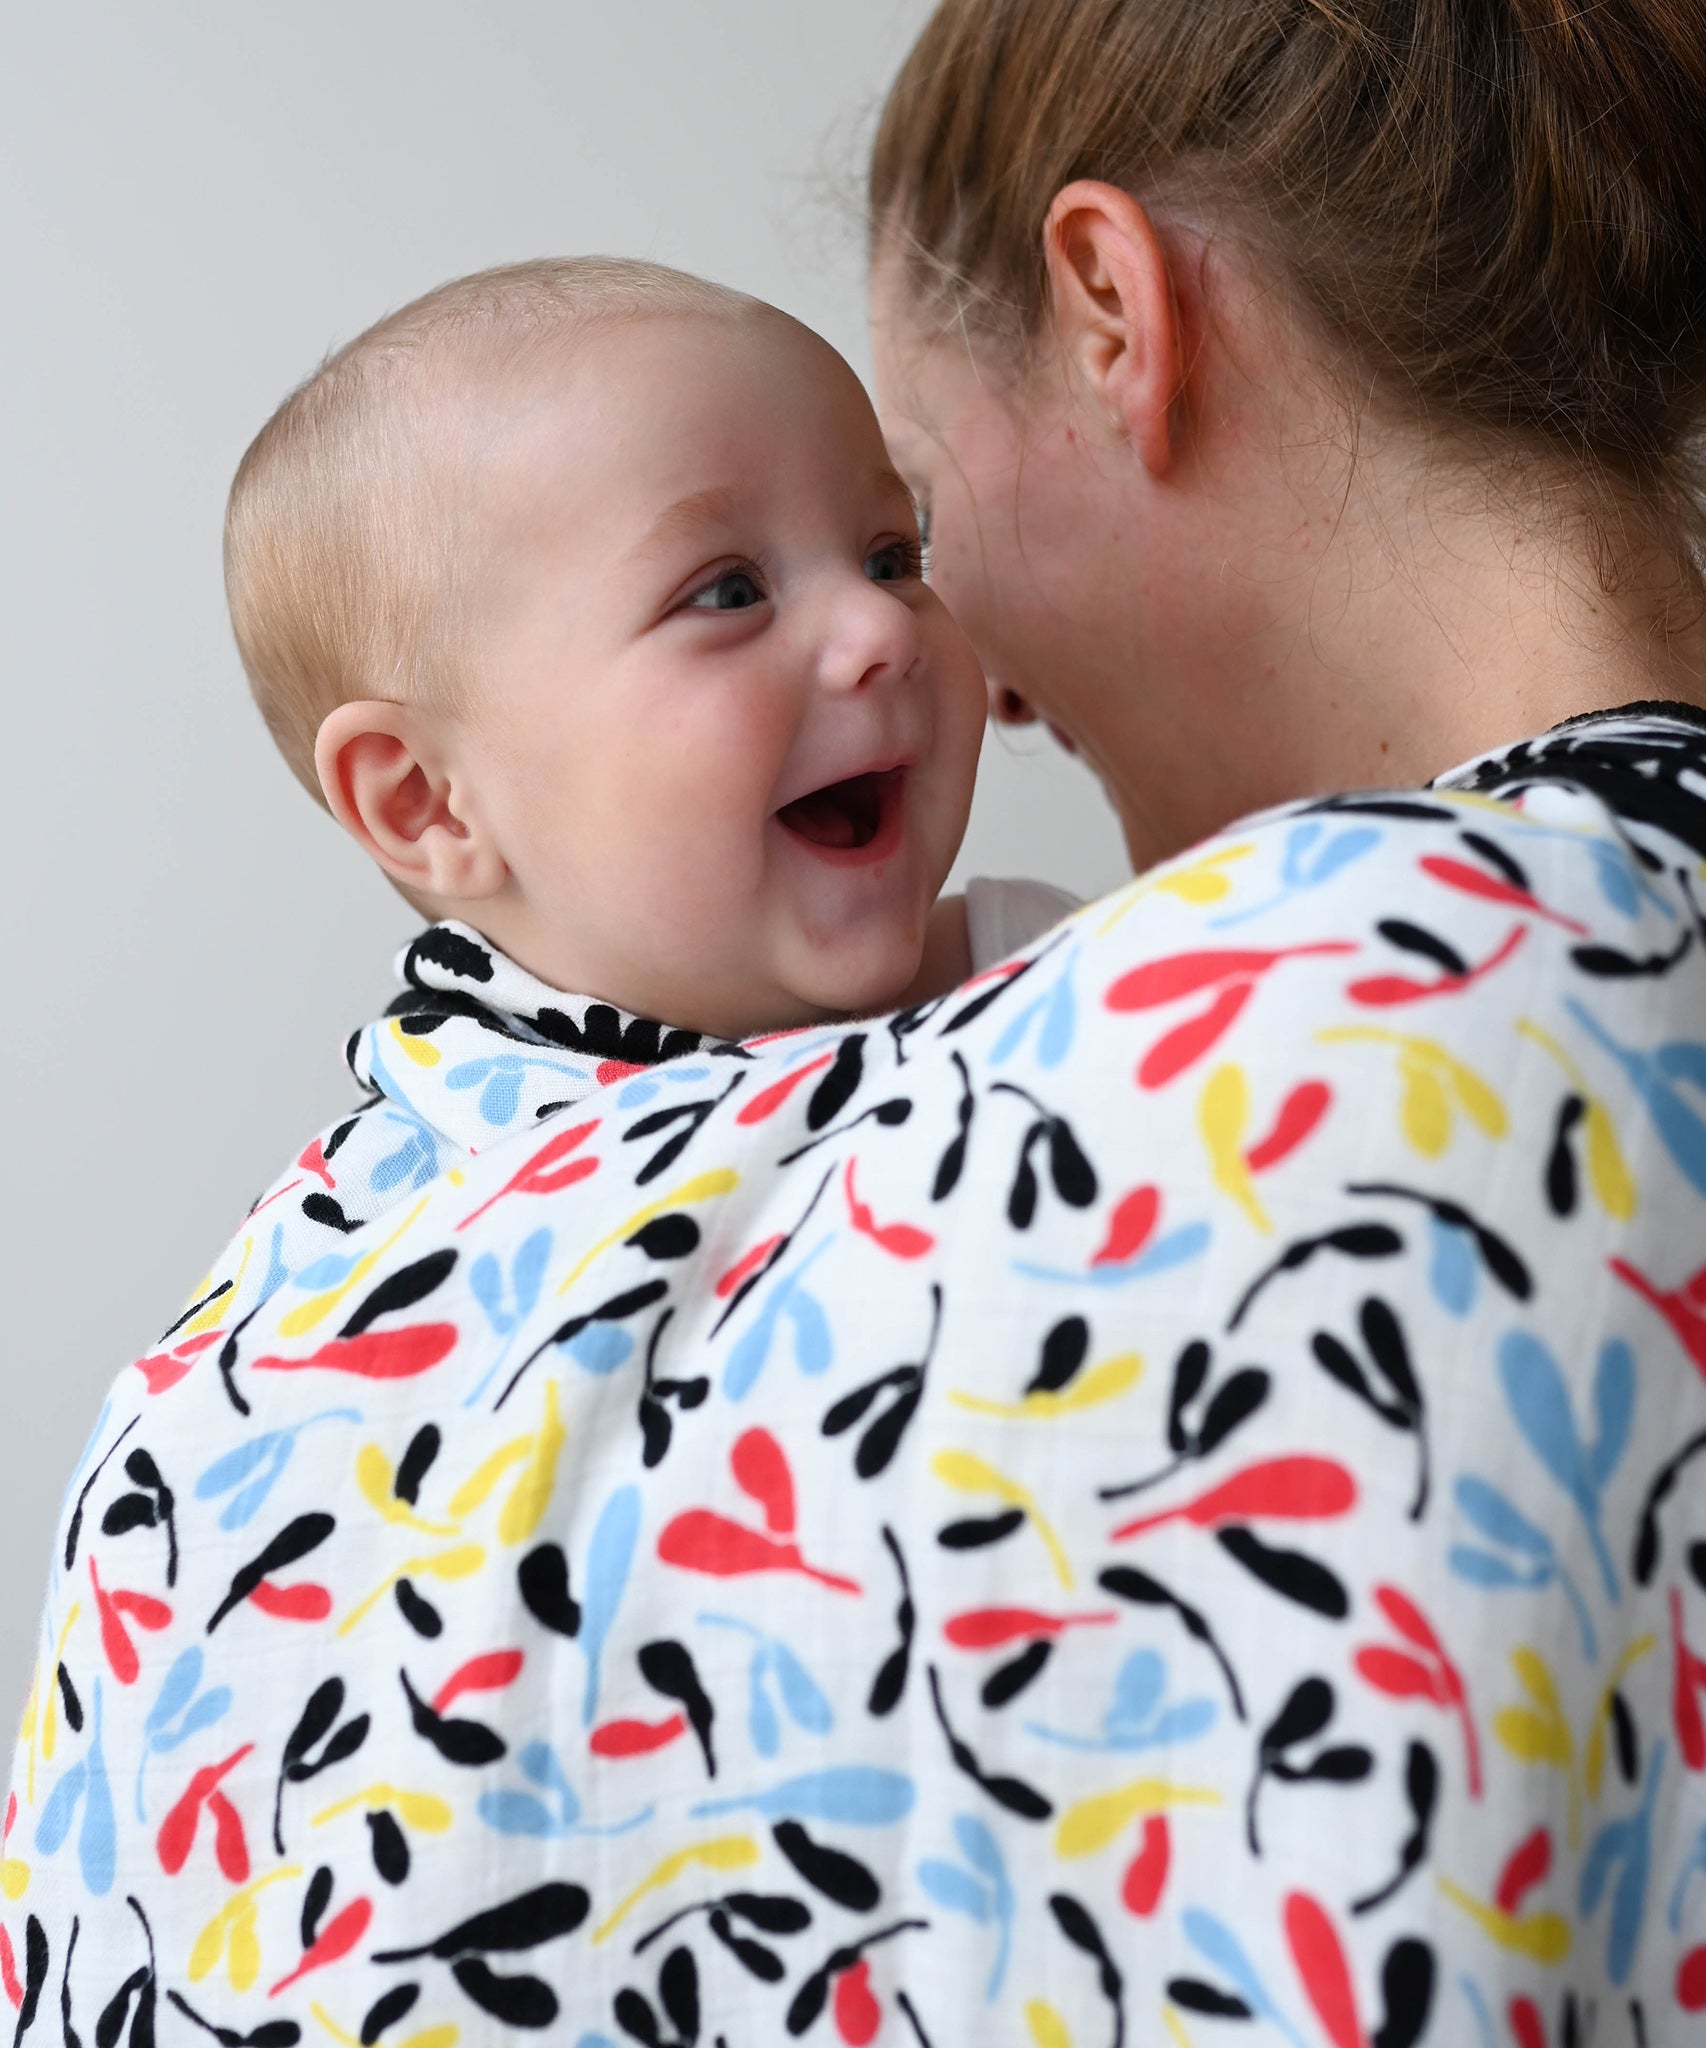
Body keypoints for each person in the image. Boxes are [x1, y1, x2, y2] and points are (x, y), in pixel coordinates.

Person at [7, 8, 1706, 2048]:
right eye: (725, 589)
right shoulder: (352, 1255)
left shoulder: (1327, 1002)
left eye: (905, 537)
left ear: (1115, 308)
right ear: (427, 807)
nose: (915, 644)